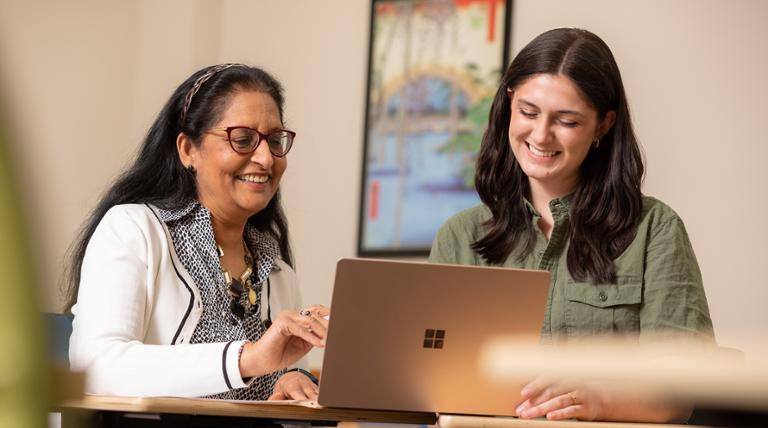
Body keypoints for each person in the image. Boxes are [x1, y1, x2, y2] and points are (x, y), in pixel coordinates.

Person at [429, 28, 715, 422]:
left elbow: (679, 393)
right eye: (528, 112)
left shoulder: (655, 229)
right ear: (509, 102)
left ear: (603, 125)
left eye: (566, 121)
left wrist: (597, 401)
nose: (541, 135)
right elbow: (431, 379)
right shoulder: (460, 237)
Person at [66, 64, 328, 401]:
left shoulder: (279, 273)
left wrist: (292, 380)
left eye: (275, 140)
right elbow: (96, 369)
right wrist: (247, 358)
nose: (266, 158)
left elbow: (281, 386)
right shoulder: (132, 229)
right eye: (243, 139)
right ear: (188, 150)